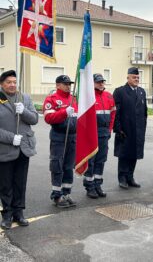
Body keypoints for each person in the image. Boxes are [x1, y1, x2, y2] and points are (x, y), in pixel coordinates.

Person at [0, 70, 38, 230]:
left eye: (14, 82)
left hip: (23, 148)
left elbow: (35, 119)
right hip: (5, 148)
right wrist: (10, 137)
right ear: (2, 84)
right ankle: (7, 214)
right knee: (6, 184)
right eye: (9, 82)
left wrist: (24, 111)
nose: (12, 85)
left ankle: (19, 213)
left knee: (20, 183)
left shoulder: (25, 98)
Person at [43, 75, 78, 208]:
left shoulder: (73, 98)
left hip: (72, 137)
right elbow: (48, 118)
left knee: (69, 166)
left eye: (69, 84)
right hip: (59, 136)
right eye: (65, 84)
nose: (68, 86)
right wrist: (64, 112)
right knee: (57, 166)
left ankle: (66, 193)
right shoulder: (52, 99)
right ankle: (57, 195)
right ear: (58, 85)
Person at [113, 67, 147, 189]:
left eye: (138, 77)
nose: (136, 79)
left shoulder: (142, 92)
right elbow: (116, 112)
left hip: (138, 129)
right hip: (125, 129)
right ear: (128, 78)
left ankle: (130, 177)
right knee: (124, 155)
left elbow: (144, 113)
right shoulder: (120, 91)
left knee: (135, 154)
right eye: (134, 77)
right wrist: (118, 129)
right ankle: (122, 178)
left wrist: (143, 128)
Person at [83, 74, 116, 199]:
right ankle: (89, 186)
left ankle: (98, 185)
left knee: (101, 160)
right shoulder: (88, 96)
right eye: (98, 82)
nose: (101, 83)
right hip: (92, 132)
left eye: (102, 81)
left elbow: (113, 114)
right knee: (91, 161)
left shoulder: (109, 96)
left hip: (103, 132)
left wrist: (109, 130)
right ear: (92, 83)